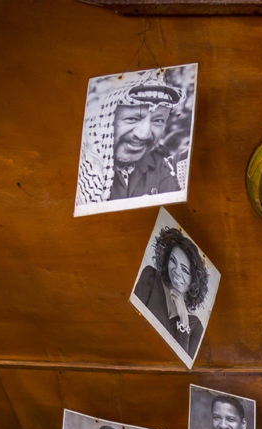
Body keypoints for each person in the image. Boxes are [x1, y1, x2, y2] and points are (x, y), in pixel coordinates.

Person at [76, 74, 183, 206]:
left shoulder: (160, 165)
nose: (144, 134)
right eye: (132, 119)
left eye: (158, 120)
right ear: (107, 122)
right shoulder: (81, 169)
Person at [132, 227, 209, 359]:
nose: (176, 271)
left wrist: (184, 319)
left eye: (185, 270)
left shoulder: (197, 328)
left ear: (194, 280)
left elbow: (182, 365)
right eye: (173, 261)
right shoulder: (151, 277)